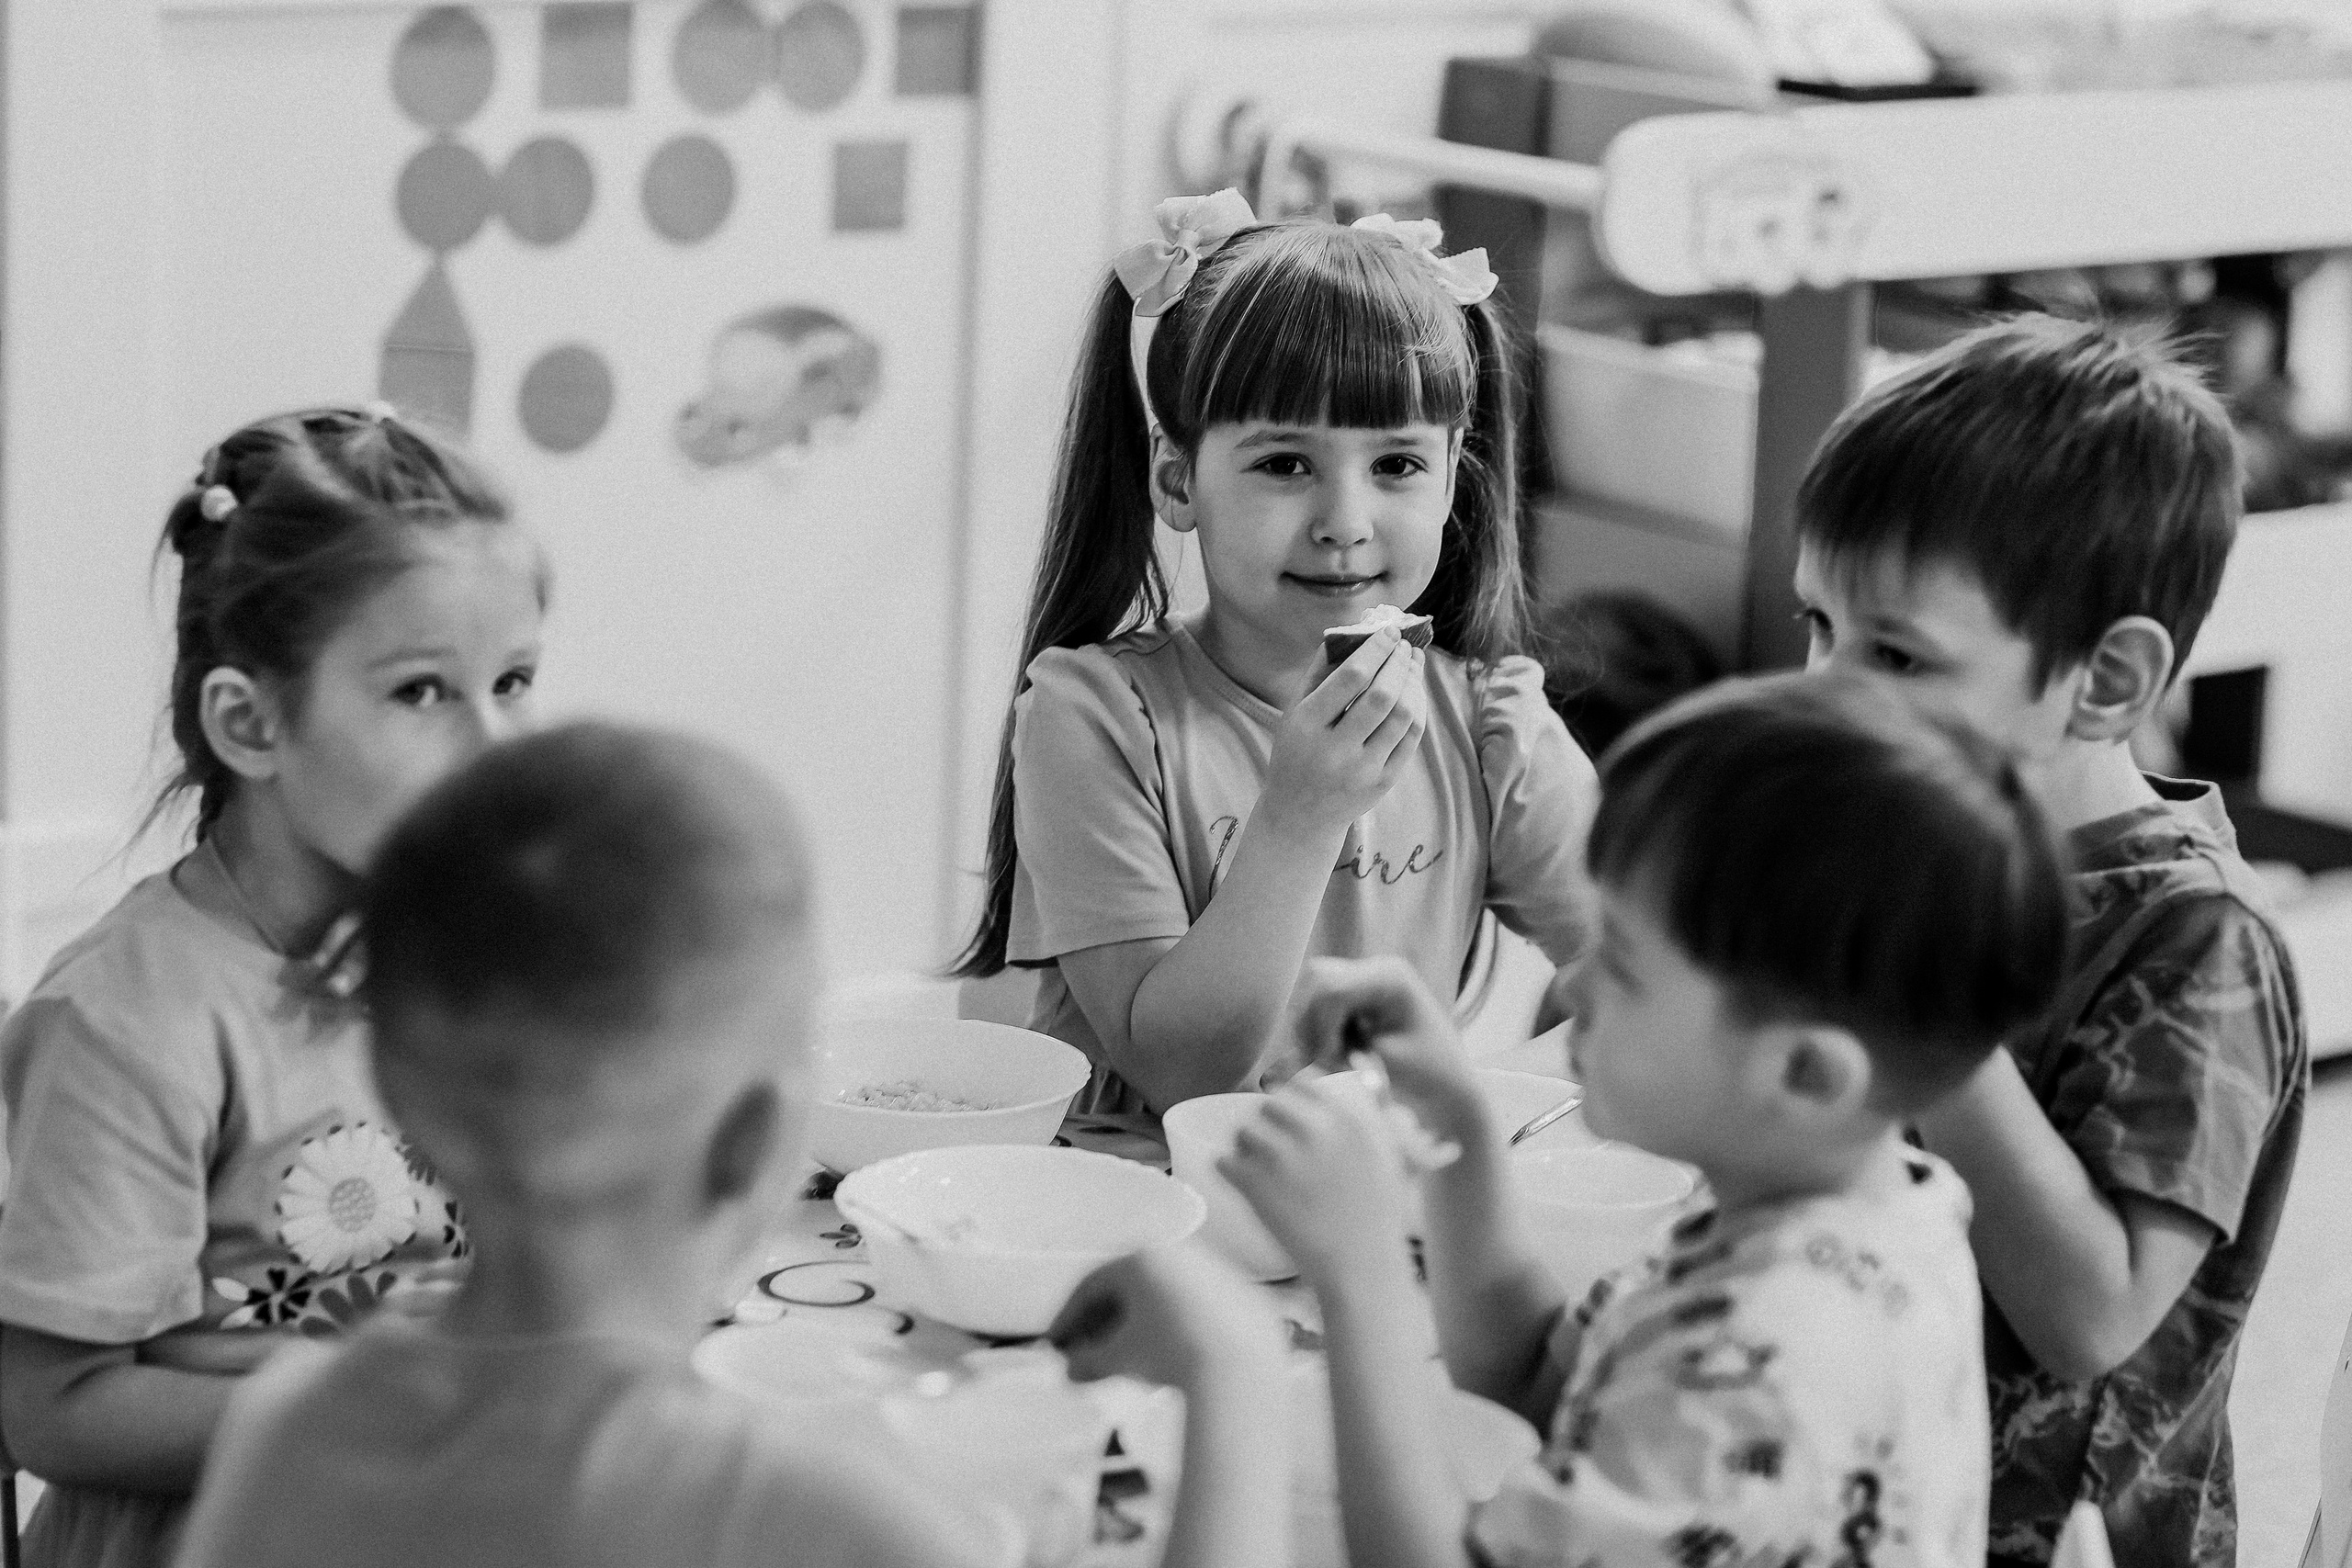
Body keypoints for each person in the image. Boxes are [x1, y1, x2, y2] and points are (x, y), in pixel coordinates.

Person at [175, 723, 1283, 1568]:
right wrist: (1233, 1382)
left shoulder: (286, 1431)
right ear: (758, 1143)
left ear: (405, 1110)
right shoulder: (813, 1519)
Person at [1223, 672, 2072, 1568]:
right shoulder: (1847, 1216)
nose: (1571, 985)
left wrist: (1360, 1276)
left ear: (1804, 1072)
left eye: (1621, 965)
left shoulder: (1765, 1358)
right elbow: (1534, 1382)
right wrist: (1456, 1121)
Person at [1792, 316, 2309, 1568]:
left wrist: (1929, 1022)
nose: (1827, 690)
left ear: (2107, 680)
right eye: (1817, 626)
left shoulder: (2197, 941)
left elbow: (2092, 1316)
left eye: (1897, 653)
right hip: (1874, 1484)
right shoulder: (1923, 829)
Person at [0, 405, 545, 1568]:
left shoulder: (447, 950)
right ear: (251, 724)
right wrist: (368, 1409)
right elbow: (52, 1408)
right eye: (421, 693)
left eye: (514, 680)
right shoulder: (127, 1018)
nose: (495, 744)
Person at [955, 189, 1596, 1115]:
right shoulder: (1092, 716)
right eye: (1285, 465)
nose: (1344, 523)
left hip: (1371, 1210)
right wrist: (1300, 816)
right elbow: (1181, 1073)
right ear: (1178, 481)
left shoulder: (1492, 724)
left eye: (1396, 466)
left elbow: (1654, 970)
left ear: (1454, 475)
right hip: (1135, 1206)